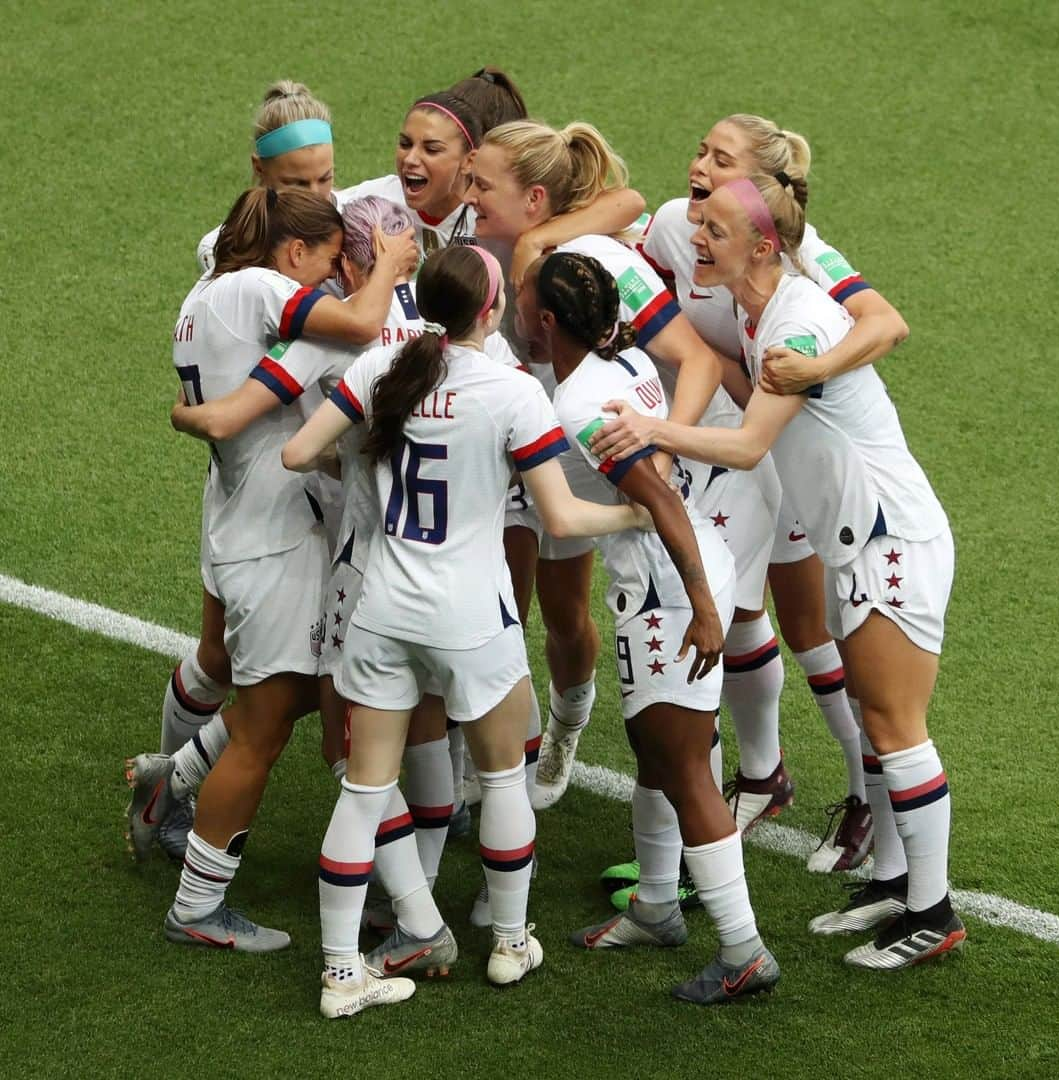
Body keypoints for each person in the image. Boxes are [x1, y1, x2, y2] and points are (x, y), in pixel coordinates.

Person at [593, 173, 964, 969]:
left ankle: (933, 913)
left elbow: (749, 444)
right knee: (873, 714)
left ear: (763, 246)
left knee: (897, 727)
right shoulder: (759, 309)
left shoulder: (794, 327)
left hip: (888, 539)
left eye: (716, 230)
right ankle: (892, 884)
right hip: (858, 539)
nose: (697, 237)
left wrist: (650, 430)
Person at [279, 245, 652, 1015]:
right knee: (504, 778)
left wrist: (365, 468)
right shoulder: (513, 391)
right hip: (472, 617)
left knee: (362, 792)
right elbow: (560, 516)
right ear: (489, 311)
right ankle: (511, 944)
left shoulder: (382, 370)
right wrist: (636, 512)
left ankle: (342, 973)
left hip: (381, 612)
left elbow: (295, 451)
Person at [610, 112, 911, 868]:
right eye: (700, 150)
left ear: (762, 187)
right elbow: (620, 217)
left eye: (721, 158)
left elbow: (884, 322)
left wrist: (812, 370)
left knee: (812, 628)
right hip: (728, 435)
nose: (699, 165)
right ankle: (761, 772)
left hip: (782, 450)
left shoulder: (801, 253)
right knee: (737, 607)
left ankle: (862, 796)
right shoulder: (686, 226)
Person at [127, 187, 418, 953]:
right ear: (291, 254)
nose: (325, 282)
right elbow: (353, 325)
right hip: (273, 538)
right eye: (322, 265)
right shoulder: (257, 286)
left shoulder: (205, 295)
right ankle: (196, 907)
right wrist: (387, 263)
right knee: (262, 731)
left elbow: (244, 404)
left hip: (250, 522)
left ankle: (173, 778)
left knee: (289, 701)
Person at [516, 250, 780, 1004]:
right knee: (657, 753)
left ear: (546, 322)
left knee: (687, 770)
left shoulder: (577, 409)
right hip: (676, 577)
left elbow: (659, 502)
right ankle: (658, 905)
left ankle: (744, 952)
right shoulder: (624, 358)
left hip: (669, 588)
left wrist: (700, 609)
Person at [465, 119, 741, 811]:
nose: (466, 195)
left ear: (533, 201)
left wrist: (663, 440)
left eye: (480, 183)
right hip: (511, 456)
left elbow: (699, 359)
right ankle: (486, 772)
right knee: (497, 607)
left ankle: (565, 722)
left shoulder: (589, 260)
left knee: (563, 618)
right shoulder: (477, 253)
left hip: (587, 459)